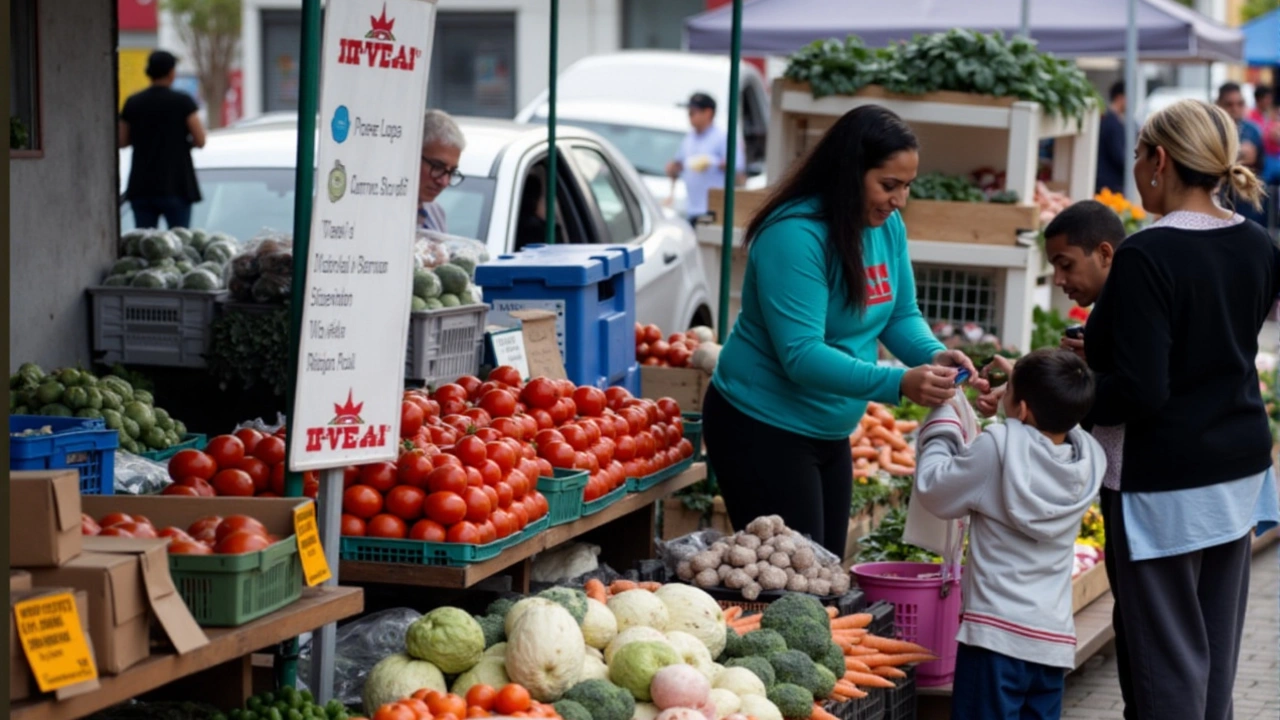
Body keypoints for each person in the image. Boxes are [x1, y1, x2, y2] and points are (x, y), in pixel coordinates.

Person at [1058, 98, 1279, 719]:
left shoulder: (1145, 253)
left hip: (1162, 486)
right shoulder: (1257, 243)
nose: (1134, 169)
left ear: (1158, 160)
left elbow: (1142, 388)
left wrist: (1064, 394)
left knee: (1165, 669)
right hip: (1239, 471)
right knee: (1211, 657)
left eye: (1135, 156)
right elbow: (1213, 340)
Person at [700, 105, 982, 558]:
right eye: (888, 185)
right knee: (796, 586)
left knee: (824, 577)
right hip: (761, 427)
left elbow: (898, 314)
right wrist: (897, 381)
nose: (899, 200)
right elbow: (802, 354)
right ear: (849, 173)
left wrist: (933, 357)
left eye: (907, 186)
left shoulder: (885, 227)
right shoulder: (795, 235)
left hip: (829, 430)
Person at [916, 349, 1104, 720]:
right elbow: (1059, 418)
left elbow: (934, 488)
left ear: (1022, 410)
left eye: (1009, 390)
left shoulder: (997, 448)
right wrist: (1018, 395)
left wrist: (944, 416)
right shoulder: (1089, 459)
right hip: (1051, 643)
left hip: (995, 641)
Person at [1041, 200, 1138, 717]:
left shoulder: (1130, 305)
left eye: (1065, 263)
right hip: (1122, 480)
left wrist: (1078, 385)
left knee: (1141, 627)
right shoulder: (1106, 312)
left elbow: (1134, 392)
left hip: (1136, 484)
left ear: (1104, 253)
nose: (1059, 278)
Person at [119, 50, 205, 230]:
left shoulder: (133, 102)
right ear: (171, 72)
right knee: (180, 244)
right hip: (176, 184)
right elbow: (200, 139)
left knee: (143, 247)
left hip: (142, 185)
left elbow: (122, 140)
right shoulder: (183, 102)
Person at [665, 92, 746, 227]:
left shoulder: (722, 138)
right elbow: (678, 164)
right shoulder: (689, 138)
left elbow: (738, 168)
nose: (689, 117)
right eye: (689, 113)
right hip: (691, 208)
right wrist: (673, 168)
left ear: (708, 113)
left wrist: (712, 162)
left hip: (714, 211)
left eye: (693, 113)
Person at [418, 109, 466, 234]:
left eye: (451, 172)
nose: (444, 182)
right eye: (437, 167)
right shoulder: (385, 213)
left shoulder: (436, 212)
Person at [1096, 81, 1127, 194]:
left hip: (1104, 182)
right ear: (1120, 98)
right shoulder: (1113, 123)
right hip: (1110, 185)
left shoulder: (1106, 118)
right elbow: (1119, 156)